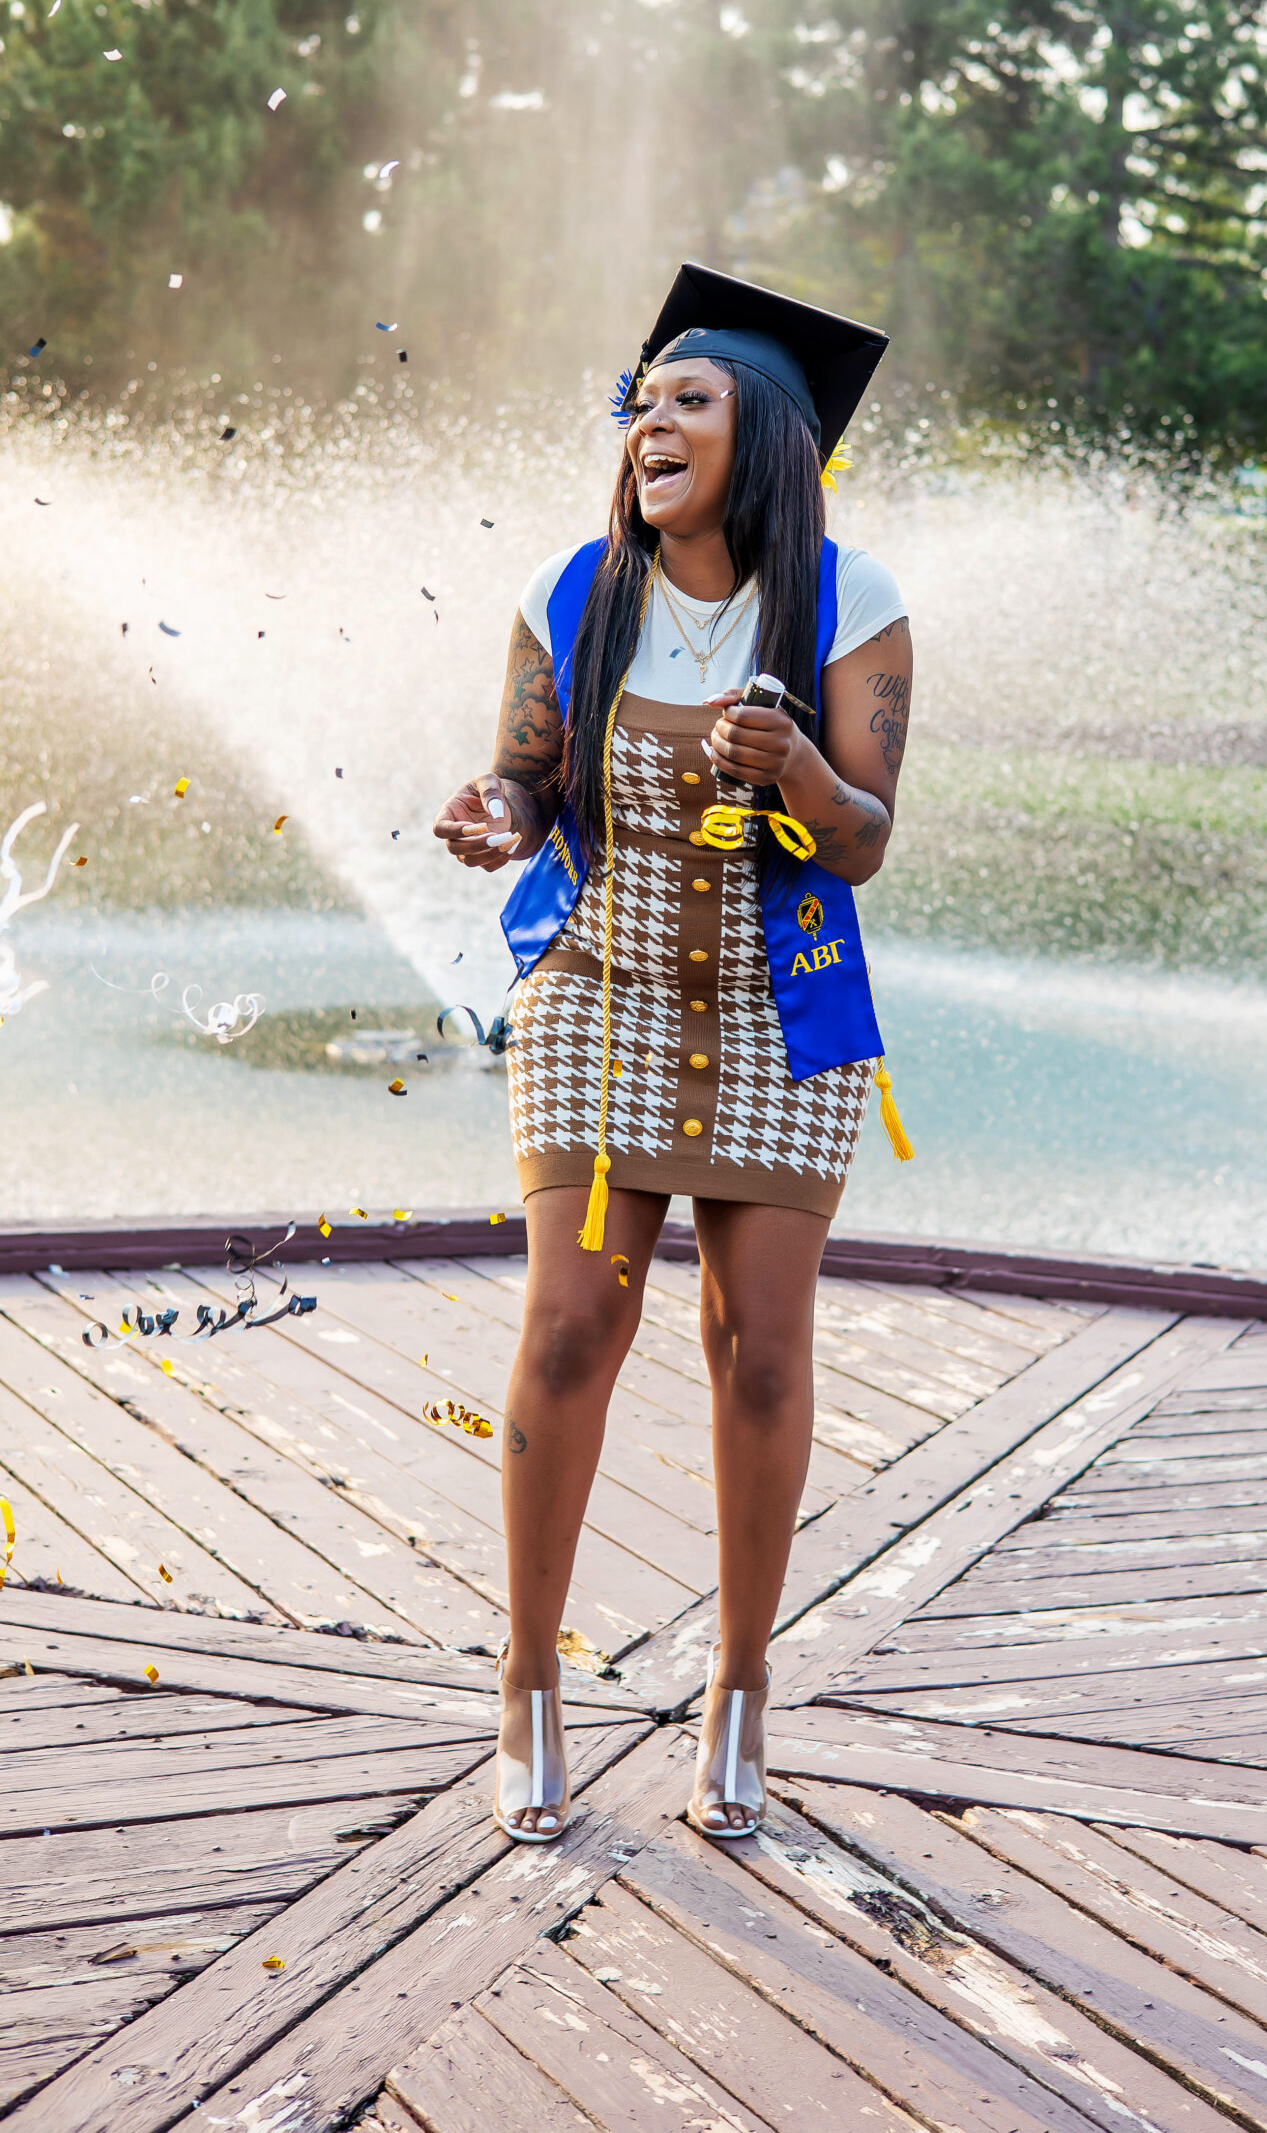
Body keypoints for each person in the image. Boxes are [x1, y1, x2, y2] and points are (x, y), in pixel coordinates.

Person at [433, 263, 914, 1846]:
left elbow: (863, 846)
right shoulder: (577, 592)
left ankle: (740, 1692)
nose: (651, 422)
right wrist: (486, 819)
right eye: (641, 405)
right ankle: (526, 1682)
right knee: (574, 1321)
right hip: (600, 988)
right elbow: (521, 786)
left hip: (784, 1009)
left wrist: (799, 780)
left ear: (766, 436)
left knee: (760, 1351)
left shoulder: (855, 605)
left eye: (687, 401)